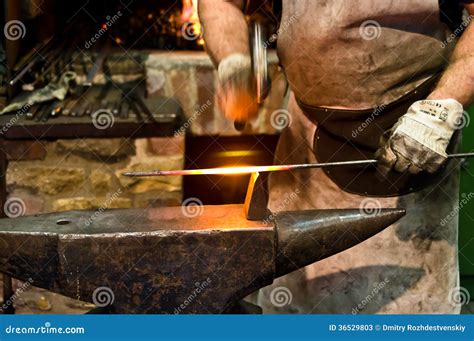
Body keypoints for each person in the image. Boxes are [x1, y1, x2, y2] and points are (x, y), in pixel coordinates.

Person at [199, 0, 474, 313]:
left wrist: (441, 106)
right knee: (297, 308)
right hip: (305, 153)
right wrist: (233, 59)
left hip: (411, 141)